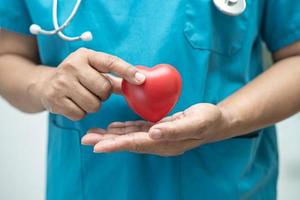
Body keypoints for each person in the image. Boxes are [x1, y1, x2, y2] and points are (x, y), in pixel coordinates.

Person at [0, 0, 299, 199]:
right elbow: (8, 55)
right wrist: (43, 85)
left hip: (224, 185)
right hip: (89, 184)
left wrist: (226, 119)